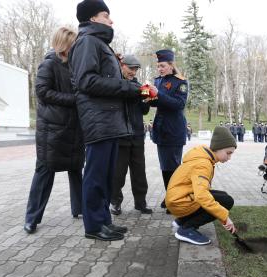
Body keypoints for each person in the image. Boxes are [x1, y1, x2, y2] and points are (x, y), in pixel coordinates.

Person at [69, 0, 148, 241]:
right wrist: (128, 87)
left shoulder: (99, 44)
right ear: (93, 18)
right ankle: (93, 226)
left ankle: (104, 220)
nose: (111, 20)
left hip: (109, 122)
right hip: (99, 122)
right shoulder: (87, 42)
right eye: (106, 15)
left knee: (106, 176)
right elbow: (86, 82)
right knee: (95, 176)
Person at [24, 27, 84, 234]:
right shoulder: (49, 63)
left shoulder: (75, 65)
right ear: (64, 44)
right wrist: (73, 100)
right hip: (52, 129)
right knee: (44, 171)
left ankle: (81, 208)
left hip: (74, 127)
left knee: (76, 169)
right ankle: (32, 217)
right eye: (73, 43)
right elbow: (41, 92)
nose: (76, 46)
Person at [166, 126, 237, 245]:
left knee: (222, 196)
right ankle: (186, 229)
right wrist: (224, 217)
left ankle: (182, 221)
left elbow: (202, 190)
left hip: (179, 198)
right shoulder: (203, 164)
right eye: (228, 153)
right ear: (218, 148)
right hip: (179, 202)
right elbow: (202, 196)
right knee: (226, 201)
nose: (229, 158)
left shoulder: (204, 157)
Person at [110, 54, 152, 216]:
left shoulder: (140, 86)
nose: (133, 72)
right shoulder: (114, 85)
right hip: (120, 135)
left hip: (137, 135)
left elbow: (144, 111)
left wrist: (146, 100)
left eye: (135, 69)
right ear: (121, 66)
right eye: (130, 68)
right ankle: (115, 202)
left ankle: (140, 203)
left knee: (139, 172)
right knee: (118, 173)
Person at [149, 49, 188, 211]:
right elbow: (155, 103)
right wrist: (147, 95)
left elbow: (179, 104)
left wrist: (159, 95)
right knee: (165, 166)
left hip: (174, 129)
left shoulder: (181, 82)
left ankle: (175, 199)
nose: (160, 69)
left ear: (171, 65)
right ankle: (171, 196)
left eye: (163, 66)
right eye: (158, 66)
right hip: (160, 129)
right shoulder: (157, 81)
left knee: (173, 166)